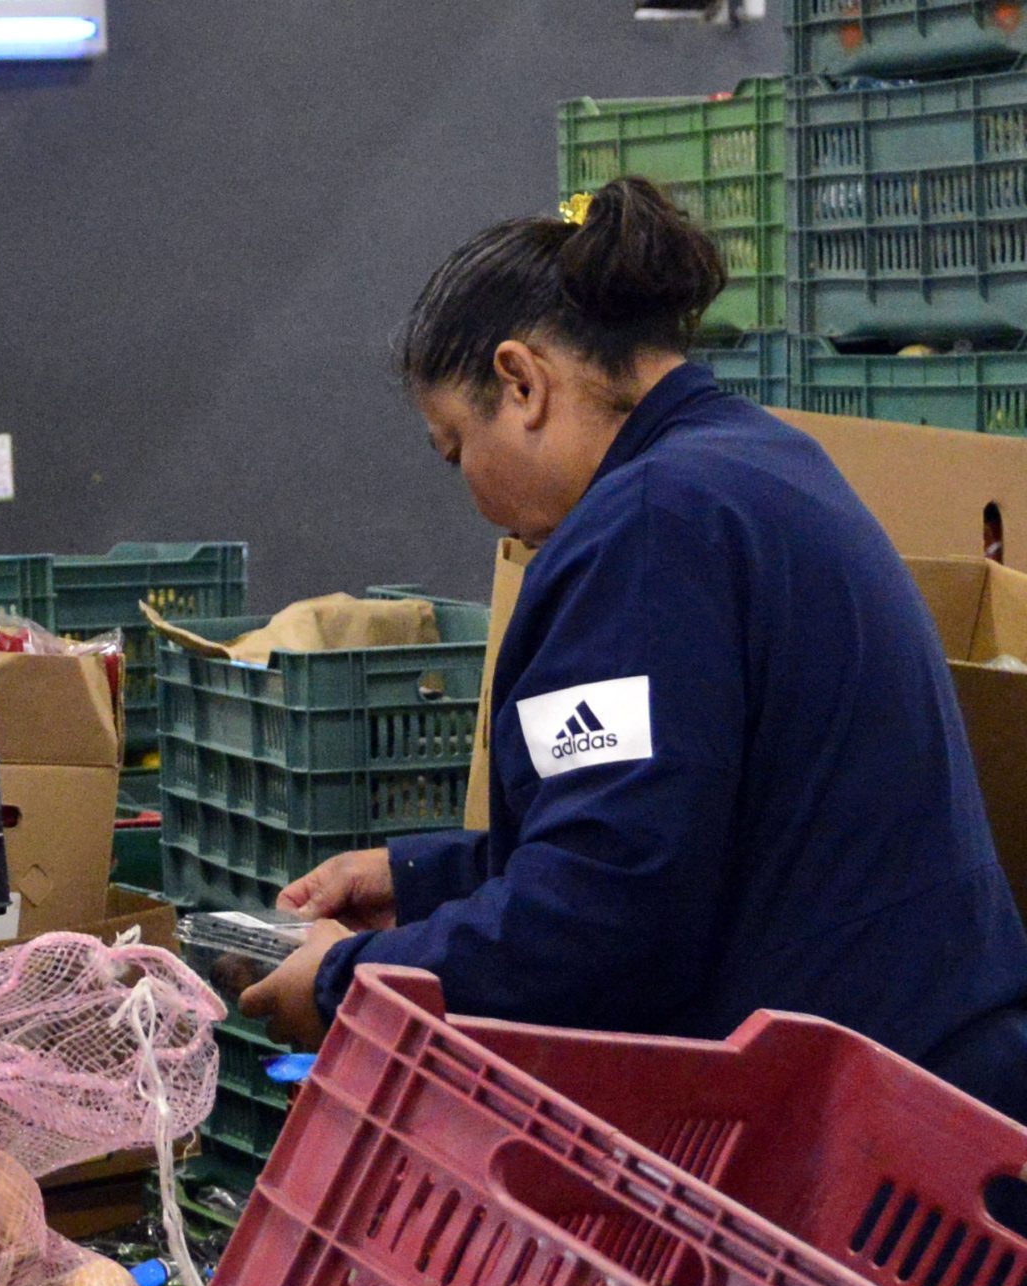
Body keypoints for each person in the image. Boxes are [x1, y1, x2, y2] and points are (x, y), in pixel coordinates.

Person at [240, 177, 1027, 1120]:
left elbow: (608, 919)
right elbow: (666, 829)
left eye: (456, 449)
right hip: (932, 1078)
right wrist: (419, 880)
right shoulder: (756, 462)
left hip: (862, 1141)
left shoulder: (648, 530)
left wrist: (350, 983)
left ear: (522, 383)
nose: (474, 494)